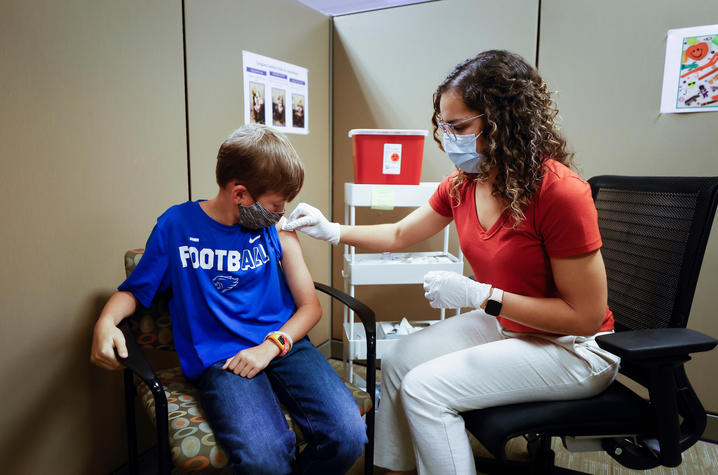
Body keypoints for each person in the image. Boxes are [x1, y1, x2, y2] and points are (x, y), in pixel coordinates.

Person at [282, 50, 620, 475]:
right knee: (402, 360)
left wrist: (484, 296)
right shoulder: (464, 184)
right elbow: (400, 234)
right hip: (510, 328)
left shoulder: (560, 193)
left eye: (460, 126)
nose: (450, 137)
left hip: (573, 350)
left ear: (504, 122)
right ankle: (393, 469)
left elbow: (585, 317)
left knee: (425, 390)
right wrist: (332, 230)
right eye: (445, 125)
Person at [90, 124, 366, 475]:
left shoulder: (276, 229)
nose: (281, 214)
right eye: (275, 205)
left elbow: (310, 306)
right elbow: (134, 291)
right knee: (264, 461)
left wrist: (270, 346)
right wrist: (105, 321)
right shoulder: (176, 227)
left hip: (284, 344)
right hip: (223, 358)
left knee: (348, 436)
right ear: (240, 195)